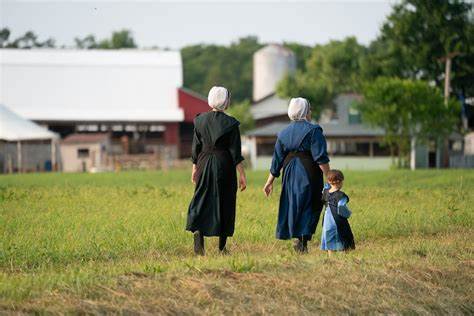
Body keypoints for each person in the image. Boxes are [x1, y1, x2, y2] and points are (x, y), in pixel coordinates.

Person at [263, 97, 330, 253]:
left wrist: (269, 182)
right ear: (305, 112)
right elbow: (320, 157)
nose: (311, 112)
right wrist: (329, 177)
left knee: (293, 203)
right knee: (310, 203)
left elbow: (277, 160)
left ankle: (298, 239)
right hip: (308, 171)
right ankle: (302, 241)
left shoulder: (283, 133)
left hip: (289, 172)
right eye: (309, 109)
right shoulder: (314, 130)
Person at [186, 86, 247, 255]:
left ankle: (199, 240)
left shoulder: (199, 120)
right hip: (224, 165)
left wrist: (194, 168)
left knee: (201, 200)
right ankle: (222, 247)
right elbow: (235, 153)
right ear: (225, 101)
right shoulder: (231, 123)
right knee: (225, 201)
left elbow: (195, 147)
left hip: (203, 163)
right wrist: (242, 174)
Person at [320, 169, 355, 253]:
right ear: (340, 182)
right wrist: (348, 214)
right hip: (336, 219)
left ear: (329, 181)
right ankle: (342, 253)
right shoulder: (341, 196)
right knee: (340, 235)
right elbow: (341, 207)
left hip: (327, 219)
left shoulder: (325, 192)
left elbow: (325, 188)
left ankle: (330, 255)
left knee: (328, 234)